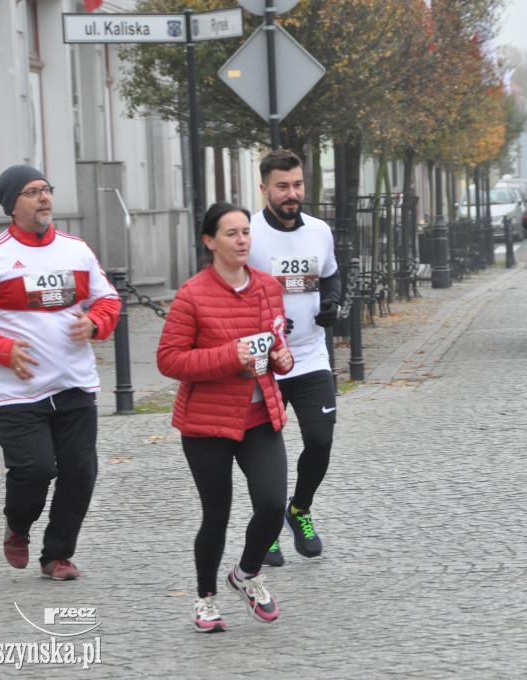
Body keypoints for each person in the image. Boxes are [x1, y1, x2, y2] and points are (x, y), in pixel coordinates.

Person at [0, 165, 120, 581]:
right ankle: (17, 527)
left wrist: (95, 322)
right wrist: (2, 349)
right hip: (18, 391)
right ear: (11, 205)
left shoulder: (76, 249)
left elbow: (108, 298)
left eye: (46, 189)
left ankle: (57, 554)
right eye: (31, 192)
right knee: (35, 470)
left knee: (80, 471)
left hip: (74, 382)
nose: (44, 198)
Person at [157, 201, 294, 632]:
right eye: (231, 233)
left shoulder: (269, 286)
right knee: (216, 512)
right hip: (207, 423)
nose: (241, 240)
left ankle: (246, 574)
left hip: (259, 414)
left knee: (273, 505)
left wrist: (281, 358)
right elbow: (169, 360)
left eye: (246, 232)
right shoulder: (192, 294)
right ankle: (205, 598)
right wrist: (225, 356)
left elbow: (274, 340)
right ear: (210, 241)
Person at [247, 149, 341, 567]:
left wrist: (333, 303)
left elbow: (331, 274)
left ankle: (299, 509)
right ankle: (266, 527)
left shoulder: (319, 230)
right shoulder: (247, 234)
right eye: (282, 186)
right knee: (266, 452)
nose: (292, 193)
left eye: (298, 184)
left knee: (320, 439)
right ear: (265, 188)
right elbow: (229, 287)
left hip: (310, 355)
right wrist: (260, 321)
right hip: (264, 362)